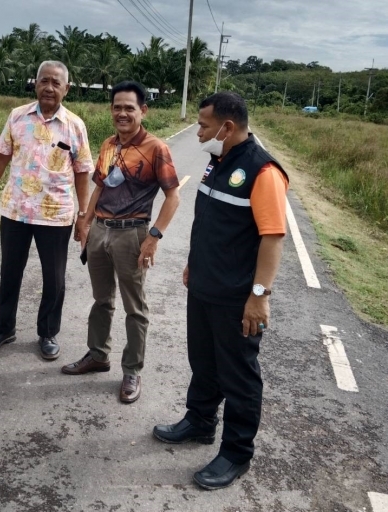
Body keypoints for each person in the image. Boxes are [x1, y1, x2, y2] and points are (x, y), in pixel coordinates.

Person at [152, 92, 289, 490]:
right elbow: (211, 220)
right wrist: (195, 263)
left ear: (227, 128)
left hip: (237, 297)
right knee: (204, 360)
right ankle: (199, 420)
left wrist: (260, 295)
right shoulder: (219, 162)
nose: (198, 132)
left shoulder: (262, 171)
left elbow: (273, 238)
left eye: (204, 125)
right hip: (205, 286)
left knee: (239, 376)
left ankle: (236, 453)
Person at [61, 81, 180, 404]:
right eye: (117, 107)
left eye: (129, 107)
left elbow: (173, 197)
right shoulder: (108, 144)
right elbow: (99, 185)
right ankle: (98, 354)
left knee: (134, 306)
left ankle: (132, 370)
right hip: (100, 229)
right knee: (102, 299)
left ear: (143, 110)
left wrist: (153, 237)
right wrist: (84, 221)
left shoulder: (156, 148)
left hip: (133, 234)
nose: (122, 113)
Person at [0, 61, 94, 360]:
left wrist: (83, 216)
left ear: (66, 88)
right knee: (10, 272)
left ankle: (48, 332)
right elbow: (0, 158)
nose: (49, 87)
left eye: (56, 82)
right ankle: (4, 328)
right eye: (44, 81)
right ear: (35, 83)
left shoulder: (75, 125)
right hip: (16, 211)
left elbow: (82, 172)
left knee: (54, 278)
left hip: (56, 214)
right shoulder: (17, 116)